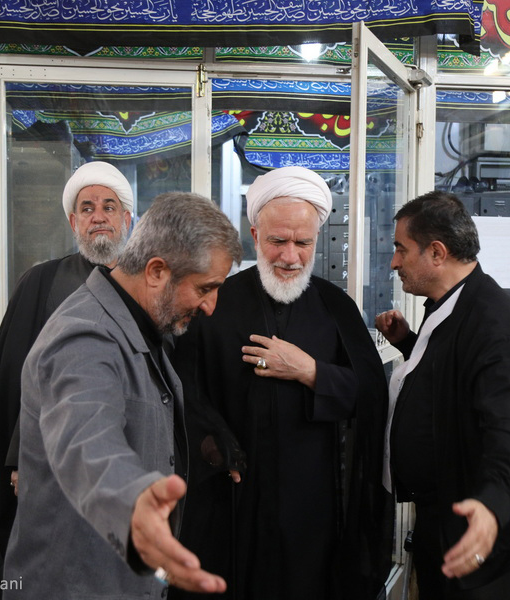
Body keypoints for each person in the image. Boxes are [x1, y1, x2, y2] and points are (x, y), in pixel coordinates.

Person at [2, 192, 242, 598]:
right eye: (205, 288)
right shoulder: (85, 336)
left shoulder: (139, 323)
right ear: (156, 272)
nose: (211, 306)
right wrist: (132, 505)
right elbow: (87, 441)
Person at [172, 166, 392, 600]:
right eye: (278, 241)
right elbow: (182, 391)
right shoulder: (215, 302)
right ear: (254, 234)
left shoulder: (336, 308)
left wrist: (310, 371)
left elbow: (369, 396)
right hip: (231, 505)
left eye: (302, 243)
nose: (290, 256)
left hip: (312, 509)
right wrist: (214, 442)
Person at [375, 191, 510, 599]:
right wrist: (407, 343)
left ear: (437, 252)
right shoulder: (449, 303)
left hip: (477, 533)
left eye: (401, 249)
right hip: (444, 516)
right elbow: (452, 379)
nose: (394, 262)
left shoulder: (492, 321)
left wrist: (491, 508)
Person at [0, 160, 134, 555]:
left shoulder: (147, 282)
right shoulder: (41, 281)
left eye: (109, 207)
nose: (98, 217)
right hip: (48, 454)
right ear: (73, 221)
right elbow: (17, 378)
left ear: (127, 218)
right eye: (87, 208)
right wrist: (21, 458)